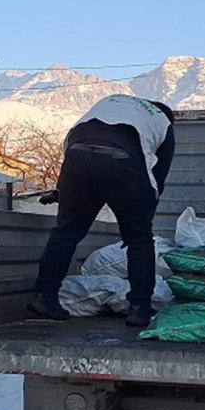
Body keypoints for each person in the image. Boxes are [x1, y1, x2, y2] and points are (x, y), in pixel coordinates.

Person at [28, 94, 176, 328]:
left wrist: (62, 191)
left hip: (77, 157)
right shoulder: (163, 122)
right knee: (139, 241)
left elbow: (75, 148)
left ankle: (44, 296)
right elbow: (158, 177)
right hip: (124, 165)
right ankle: (139, 308)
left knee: (65, 233)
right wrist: (143, 215)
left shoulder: (113, 102)